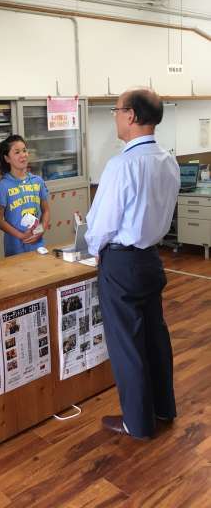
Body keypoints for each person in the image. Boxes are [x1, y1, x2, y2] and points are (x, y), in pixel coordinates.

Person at [85, 88, 180, 441]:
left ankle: (137, 423)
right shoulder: (168, 160)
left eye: (116, 110)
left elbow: (102, 223)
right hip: (151, 258)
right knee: (155, 337)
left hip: (122, 262)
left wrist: (94, 249)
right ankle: (163, 408)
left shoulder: (121, 165)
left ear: (131, 115)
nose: (114, 116)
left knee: (126, 343)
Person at [0, 135, 50, 256]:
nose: (23, 155)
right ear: (7, 158)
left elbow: (46, 210)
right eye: (17, 152)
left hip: (37, 245)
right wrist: (21, 236)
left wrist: (40, 230)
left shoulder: (38, 181)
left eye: (24, 150)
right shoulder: (3, 185)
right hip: (15, 248)